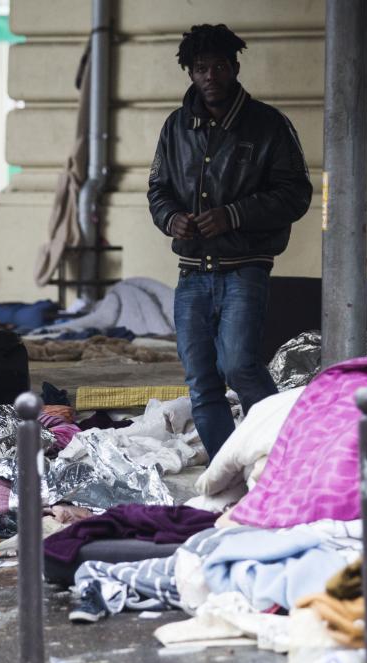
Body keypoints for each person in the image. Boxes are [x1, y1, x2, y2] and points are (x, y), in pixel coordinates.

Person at [147, 24, 313, 460]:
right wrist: (172, 219)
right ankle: (228, 471)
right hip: (192, 274)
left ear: (235, 66)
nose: (210, 76)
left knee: (240, 367)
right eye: (200, 68)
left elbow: (296, 194)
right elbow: (158, 190)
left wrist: (232, 215)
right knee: (201, 380)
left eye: (219, 66)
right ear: (189, 72)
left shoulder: (268, 125)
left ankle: (282, 459)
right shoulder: (175, 127)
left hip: (245, 267)